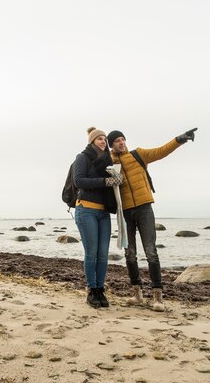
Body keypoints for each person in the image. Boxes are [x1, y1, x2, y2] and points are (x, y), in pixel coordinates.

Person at [107, 128, 197, 311]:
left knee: (151, 253)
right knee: (130, 255)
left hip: (144, 208)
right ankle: (137, 294)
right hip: (124, 212)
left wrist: (179, 140)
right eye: (117, 141)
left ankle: (158, 297)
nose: (122, 142)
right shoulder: (109, 163)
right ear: (111, 145)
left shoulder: (138, 154)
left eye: (123, 139)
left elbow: (161, 151)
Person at [73, 127, 123, 308]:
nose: (103, 141)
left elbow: (112, 186)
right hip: (86, 210)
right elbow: (78, 181)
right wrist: (105, 182)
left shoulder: (109, 162)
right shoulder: (82, 157)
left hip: (103, 212)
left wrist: (117, 180)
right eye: (99, 139)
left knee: (103, 254)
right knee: (91, 253)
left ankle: (100, 289)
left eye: (104, 139)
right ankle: (91, 290)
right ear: (92, 141)